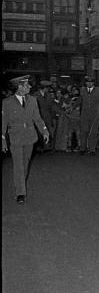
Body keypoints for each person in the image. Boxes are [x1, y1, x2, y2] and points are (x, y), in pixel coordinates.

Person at [1, 76, 49, 204]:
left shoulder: (33, 100)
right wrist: (3, 139)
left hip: (29, 137)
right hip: (15, 138)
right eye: (27, 85)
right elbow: (3, 122)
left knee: (25, 165)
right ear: (19, 87)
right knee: (18, 166)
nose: (30, 87)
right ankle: (20, 193)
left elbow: (37, 118)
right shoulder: (7, 102)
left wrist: (44, 131)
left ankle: (20, 185)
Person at [77, 76, 99, 155]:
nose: (89, 84)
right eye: (88, 82)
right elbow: (80, 100)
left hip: (95, 115)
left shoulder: (98, 91)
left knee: (93, 132)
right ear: (86, 83)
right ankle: (82, 148)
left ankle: (92, 149)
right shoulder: (82, 90)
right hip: (84, 115)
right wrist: (72, 106)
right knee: (83, 132)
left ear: (93, 83)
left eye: (91, 82)